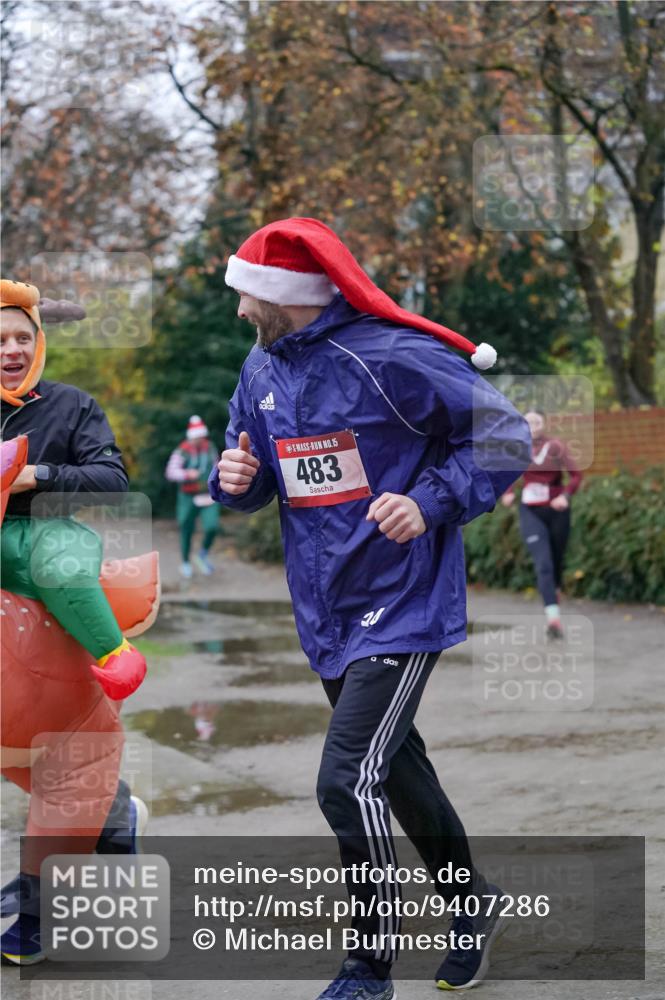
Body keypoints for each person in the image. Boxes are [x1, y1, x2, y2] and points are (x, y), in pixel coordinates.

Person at [210, 218, 532, 997]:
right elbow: (259, 480)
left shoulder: (389, 355)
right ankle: (471, 904)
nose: (239, 306)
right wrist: (236, 479)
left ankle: (369, 965)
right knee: (395, 772)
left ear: (290, 294)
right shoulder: (260, 369)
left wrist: (425, 503)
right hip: (325, 606)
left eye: (247, 292)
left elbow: (504, 434)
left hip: (403, 599)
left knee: (344, 778)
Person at [0, 279, 146, 698]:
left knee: (60, 563)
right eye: (1, 340)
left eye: (23, 338)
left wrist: (38, 476)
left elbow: (113, 482)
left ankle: (115, 652)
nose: (13, 349)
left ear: (39, 344)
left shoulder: (73, 405)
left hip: (49, 532)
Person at [501, 409, 582, 639]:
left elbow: (576, 475)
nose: (532, 425)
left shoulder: (556, 446)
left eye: (536, 421)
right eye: (528, 422)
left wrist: (565, 496)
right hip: (530, 512)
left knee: (556, 562)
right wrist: (507, 493)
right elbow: (507, 475)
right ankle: (553, 620)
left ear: (544, 423)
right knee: (543, 563)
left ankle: (554, 592)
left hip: (557, 511)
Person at [165, 415, 222, 579]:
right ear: (191, 437)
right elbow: (170, 472)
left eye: (201, 437)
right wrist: (186, 474)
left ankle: (202, 554)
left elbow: (216, 465)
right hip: (188, 496)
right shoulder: (181, 451)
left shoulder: (210, 447)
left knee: (212, 526)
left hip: (207, 494)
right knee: (186, 528)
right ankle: (185, 562)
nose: (200, 440)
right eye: (197, 437)